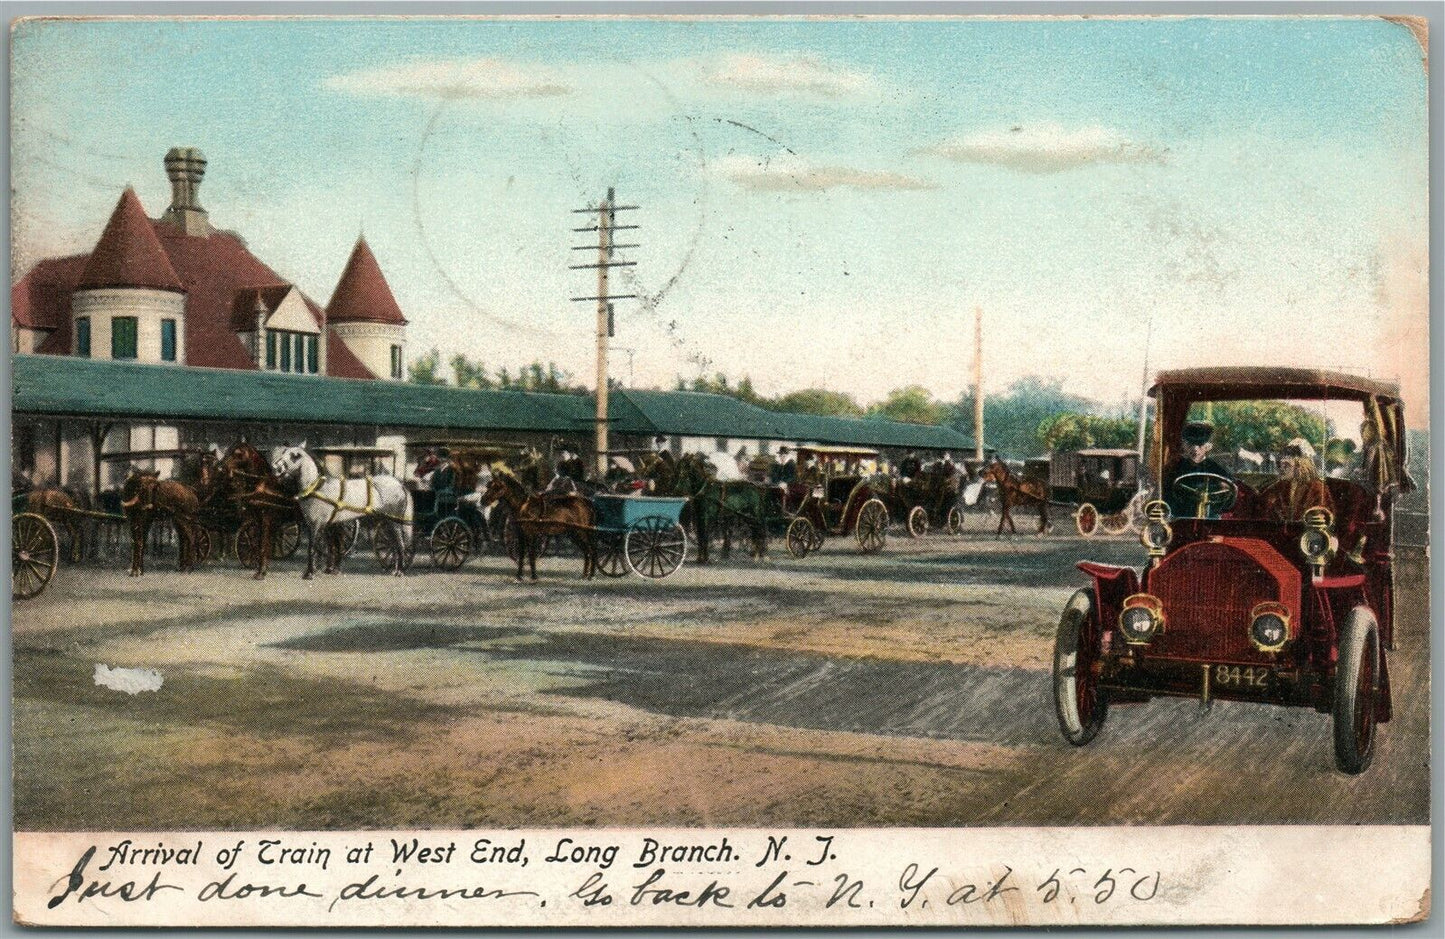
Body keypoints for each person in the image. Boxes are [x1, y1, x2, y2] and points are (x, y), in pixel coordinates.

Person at [1164, 421, 1234, 518]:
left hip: (1210, 515)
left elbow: (1228, 492)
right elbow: (1167, 494)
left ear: (1209, 446)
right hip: (1181, 516)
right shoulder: (1176, 468)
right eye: (1190, 445)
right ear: (1183, 445)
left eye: (1200, 445)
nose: (1195, 449)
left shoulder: (1216, 469)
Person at [1260, 439, 1333, 522]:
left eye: (1286, 465)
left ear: (1300, 465)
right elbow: (1262, 506)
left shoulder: (1317, 488)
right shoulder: (1278, 486)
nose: (1281, 469)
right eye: (1280, 465)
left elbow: (1324, 517)